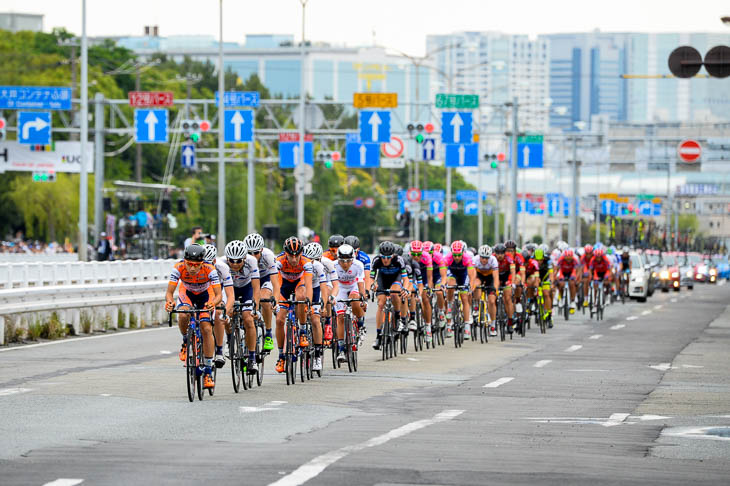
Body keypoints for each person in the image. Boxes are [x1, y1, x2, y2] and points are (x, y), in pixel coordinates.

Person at [165, 244, 222, 390]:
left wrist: (212, 303)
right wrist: (170, 302)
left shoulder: (210, 269)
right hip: (187, 292)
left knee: (206, 329)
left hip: (205, 294)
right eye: (189, 264)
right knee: (183, 313)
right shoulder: (178, 267)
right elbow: (170, 292)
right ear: (184, 261)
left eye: (196, 265)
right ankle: (185, 341)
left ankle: (208, 371)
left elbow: (218, 295)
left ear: (202, 263)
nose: (192, 268)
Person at [273, 237, 313, 374]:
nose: (294, 259)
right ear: (285, 253)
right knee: (279, 320)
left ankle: (302, 331)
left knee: (301, 297)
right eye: (291, 256)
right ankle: (281, 356)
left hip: (299, 284)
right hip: (283, 286)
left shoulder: (306, 262)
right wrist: (276, 301)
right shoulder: (278, 261)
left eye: (297, 255)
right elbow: (276, 284)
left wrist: (309, 302)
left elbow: (308, 284)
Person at [221, 240, 260, 372]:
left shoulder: (252, 261)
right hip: (230, 288)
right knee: (226, 313)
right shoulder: (221, 264)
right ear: (227, 259)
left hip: (246, 288)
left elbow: (256, 287)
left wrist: (256, 308)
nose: (235, 264)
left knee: (248, 318)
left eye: (239, 261)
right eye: (232, 261)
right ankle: (229, 338)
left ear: (244, 258)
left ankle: (252, 357)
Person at [371, 241, 410, 349]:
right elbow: (371, 278)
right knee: (381, 304)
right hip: (382, 280)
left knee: (394, 293)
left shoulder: (399, 260)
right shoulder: (376, 261)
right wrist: (372, 285)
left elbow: (405, 279)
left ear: (393, 256)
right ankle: (378, 335)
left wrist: (405, 289)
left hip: (395, 280)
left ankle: (398, 317)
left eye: (388, 257)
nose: (386, 260)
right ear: (380, 256)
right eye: (383, 257)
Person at [243, 233, 278, 352]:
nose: (253, 256)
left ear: (262, 250)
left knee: (264, 300)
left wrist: (276, 299)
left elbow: (275, 282)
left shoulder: (268, 256)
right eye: (249, 253)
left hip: (264, 279)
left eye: (256, 253)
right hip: (249, 280)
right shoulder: (240, 258)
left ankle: (268, 333)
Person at [203, 244, 235, 368]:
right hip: (203, 291)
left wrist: (225, 311)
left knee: (218, 314)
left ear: (214, 261)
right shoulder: (196, 267)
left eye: (209, 263)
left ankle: (220, 351)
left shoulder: (222, 268)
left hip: (219, 292)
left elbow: (230, 295)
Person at [333, 244, 366, 363]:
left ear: (353, 259)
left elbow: (361, 282)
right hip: (340, 288)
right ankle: (341, 349)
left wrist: (363, 298)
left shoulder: (358, 265)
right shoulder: (334, 266)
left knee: (355, 299)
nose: (345, 264)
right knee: (340, 317)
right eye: (342, 260)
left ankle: (361, 323)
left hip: (354, 286)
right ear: (338, 259)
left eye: (348, 261)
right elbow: (331, 284)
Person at [443, 240, 477, 337]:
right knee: (451, 284)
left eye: (459, 255)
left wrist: (470, 287)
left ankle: (467, 327)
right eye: (455, 255)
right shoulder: (448, 258)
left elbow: (471, 276)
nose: (457, 257)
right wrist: (444, 285)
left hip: (463, 275)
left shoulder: (467, 258)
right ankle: (449, 307)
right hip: (452, 274)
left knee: (464, 298)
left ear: (463, 253)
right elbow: (444, 274)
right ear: (451, 253)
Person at [303, 242, 327, 372]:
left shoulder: (318, 266)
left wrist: (323, 303)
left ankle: (318, 354)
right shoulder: (301, 264)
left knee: (315, 320)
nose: (310, 262)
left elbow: (324, 287)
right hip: (302, 289)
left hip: (315, 289)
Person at [473, 244, 499, 336]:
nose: (484, 260)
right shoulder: (475, 259)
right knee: (475, 284)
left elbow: (496, 277)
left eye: (486, 258)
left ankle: (493, 325)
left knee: (492, 301)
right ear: (479, 256)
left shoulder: (493, 260)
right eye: (482, 257)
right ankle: (476, 304)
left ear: (489, 257)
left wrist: (495, 290)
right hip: (479, 276)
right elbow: (472, 275)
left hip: (490, 278)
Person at [494, 243, 516, 332]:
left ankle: (510, 322)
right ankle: (494, 318)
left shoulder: (509, 257)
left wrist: (512, 283)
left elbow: (513, 272)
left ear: (504, 253)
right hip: (496, 276)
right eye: (498, 253)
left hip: (506, 276)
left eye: (501, 253)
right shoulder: (492, 258)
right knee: (493, 296)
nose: (499, 255)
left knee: (507, 298)